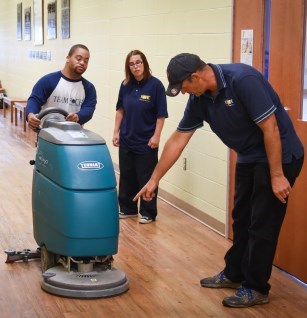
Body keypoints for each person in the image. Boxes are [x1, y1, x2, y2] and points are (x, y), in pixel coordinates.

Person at [134, 53, 304, 306]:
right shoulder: (199, 98)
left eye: (184, 87)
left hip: (279, 155)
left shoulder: (243, 80)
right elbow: (178, 140)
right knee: (241, 217)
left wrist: (277, 175)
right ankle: (235, 274)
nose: (183, 93)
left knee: (262, 223)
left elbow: (271, 128)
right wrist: (154, 179)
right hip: (249, 155)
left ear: (196, 76)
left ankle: (256, 287)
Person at [112, 50, 168, 224]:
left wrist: (157, 136)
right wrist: (116, 132)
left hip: (146, 142)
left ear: (144, 63)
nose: (135, 66)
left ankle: (148, 212)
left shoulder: (156, 86)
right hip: (127, 139)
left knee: (147, 177)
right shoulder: (125, 85)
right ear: (128, 67)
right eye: (132, 64)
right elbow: (120, 109)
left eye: (138, 62)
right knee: (127, 175)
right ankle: (128, 208)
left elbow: (161, 115)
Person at [26, 44, 97, 130]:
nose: (82, 63)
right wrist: (30, 114)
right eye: (78, 59)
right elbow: (34, 100)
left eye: (86, 61)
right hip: (48, 135)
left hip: (74, 135)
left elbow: (89, 109)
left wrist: (78, 116)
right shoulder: (48, 80)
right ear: (68, 58)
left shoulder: (89, 88)